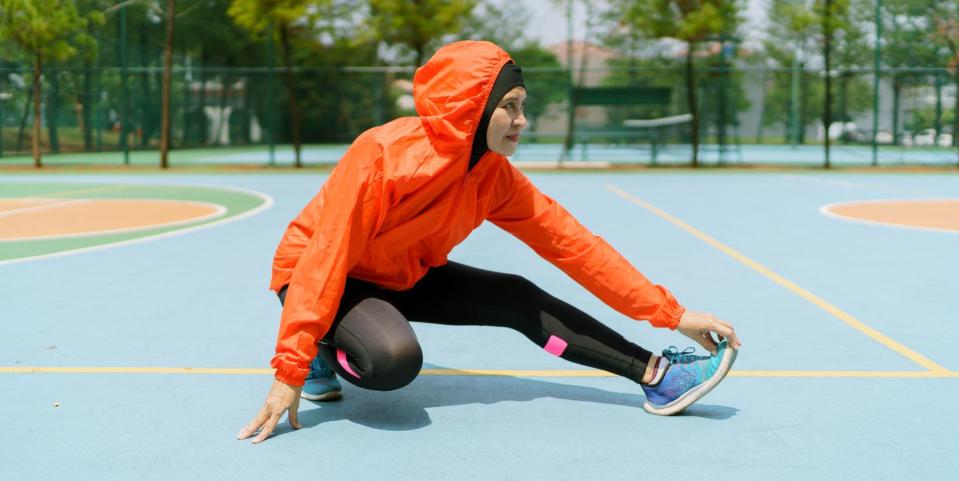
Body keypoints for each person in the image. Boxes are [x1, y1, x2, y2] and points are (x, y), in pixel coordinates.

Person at [237, 41, 741, 444]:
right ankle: (324, 346)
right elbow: (327, 256)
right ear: (471, 110)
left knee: (515, 295)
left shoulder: (493, 176)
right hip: (322, 273)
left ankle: (657, 376)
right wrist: (290, 369)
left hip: (402, 273)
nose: (523, 120)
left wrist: (671, 314)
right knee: (393, 361)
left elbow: (576, 247)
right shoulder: (383, 153)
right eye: (510, 106)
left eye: (523, 106)